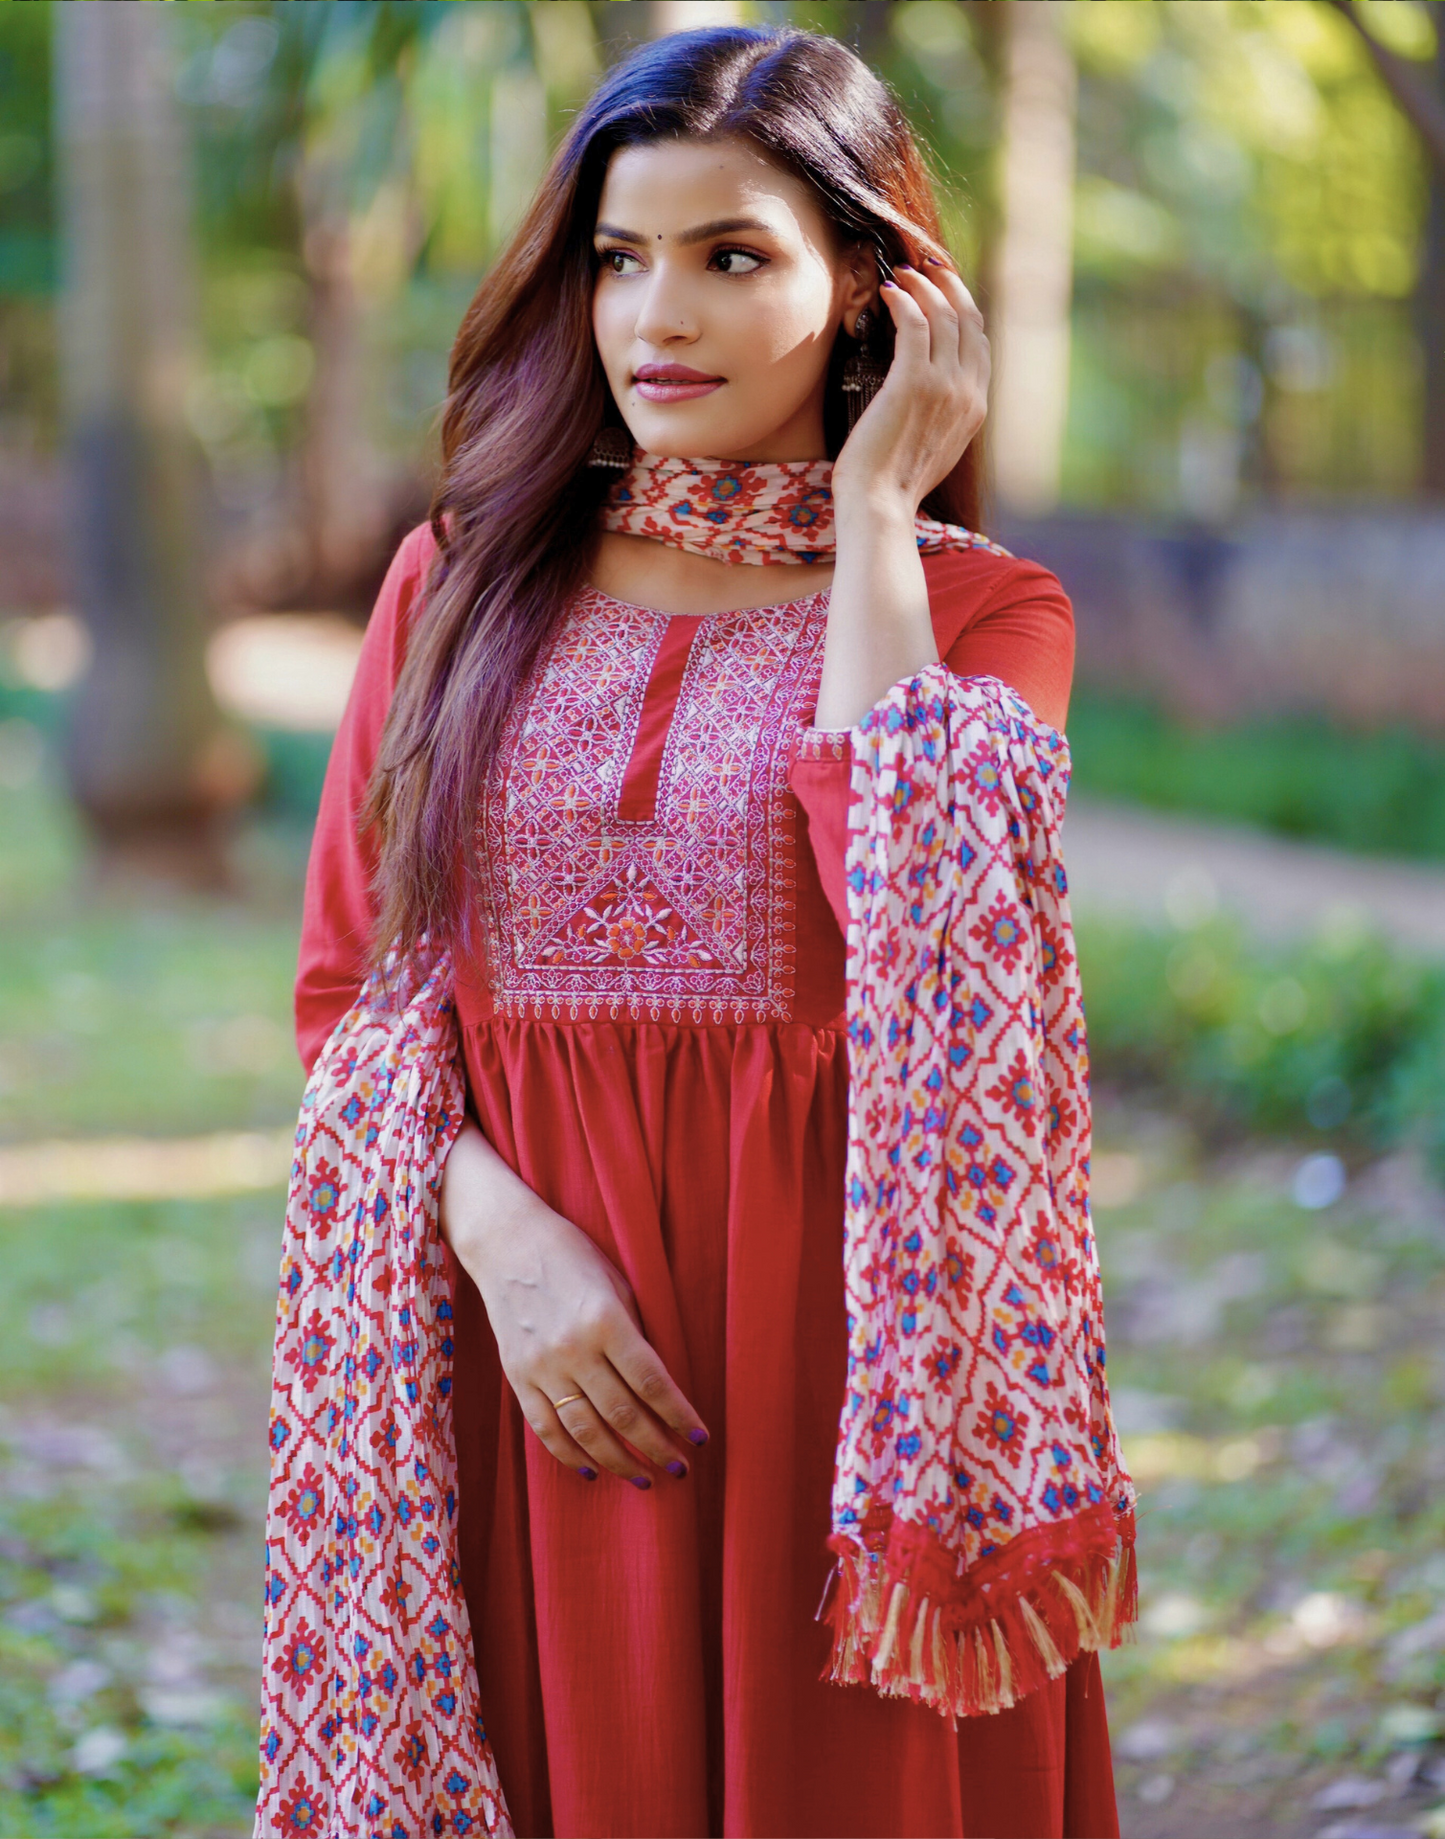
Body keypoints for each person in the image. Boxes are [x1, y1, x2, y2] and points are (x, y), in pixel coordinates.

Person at [282, 25, 1127, 1839]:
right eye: (618, 256)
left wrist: (881, 516)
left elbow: (925, 947)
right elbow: (350, 996)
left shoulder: (990, 615)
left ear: (872, 297)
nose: (654, 313)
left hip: (843, 1376)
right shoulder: (458, 579)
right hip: (524, 1366)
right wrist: (503, 1245)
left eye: (732, 257)